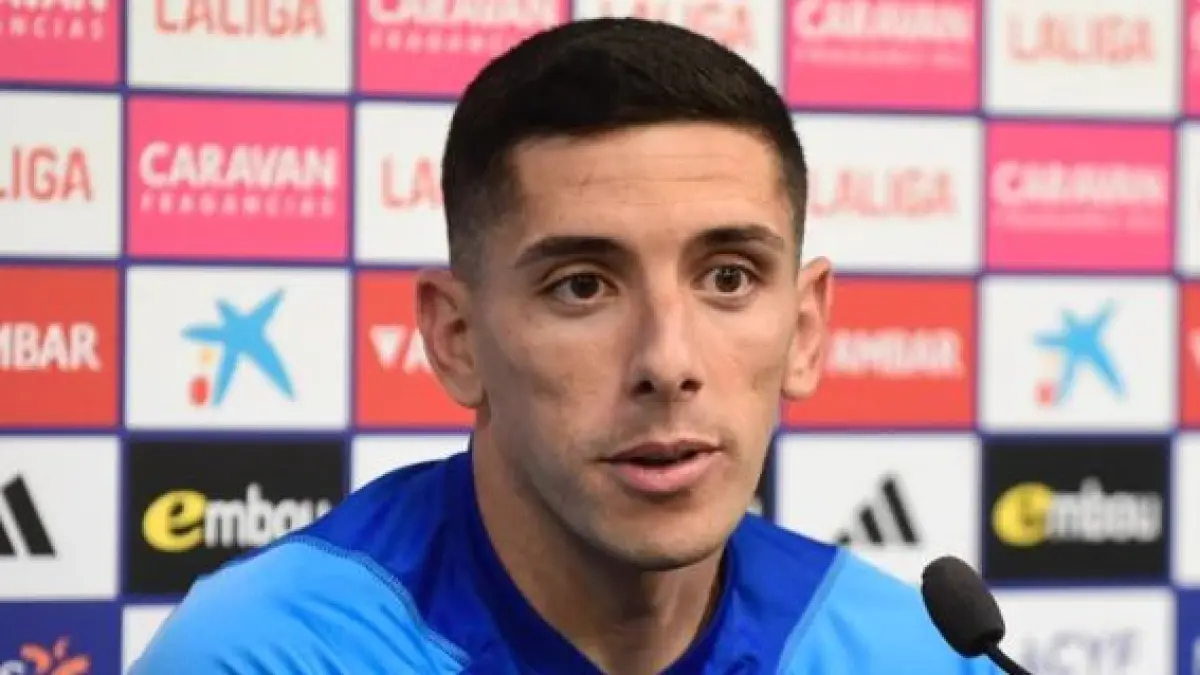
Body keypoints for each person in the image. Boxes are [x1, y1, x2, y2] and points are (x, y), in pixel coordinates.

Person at [131, 18, 999, 674]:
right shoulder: (264, 654)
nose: (668, 361)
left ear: (804, 329)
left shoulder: (914, 653)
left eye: (729, 277)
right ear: (457, 338)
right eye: (582, 285)